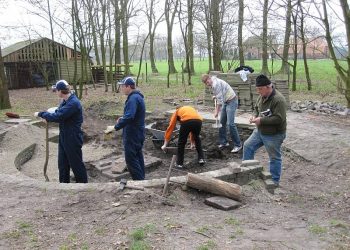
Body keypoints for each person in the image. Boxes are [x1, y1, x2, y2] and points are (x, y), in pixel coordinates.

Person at [34, 80, 88, 183]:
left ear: (60, 91)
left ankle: (83, 186)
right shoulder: (65, 101)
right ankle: (63, 185)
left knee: (76, 164)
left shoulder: (73, 103)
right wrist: (48, 117)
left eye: (56, 90)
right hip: (64, 136)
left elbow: (59, 116)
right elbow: (58, 112)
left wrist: (41, 114)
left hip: (72, 137)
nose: (55, 92)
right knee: (62, 164)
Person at [243, 74, 287, 186]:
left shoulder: (279, 100)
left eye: (260, 89)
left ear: (269, 87)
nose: (258, 91)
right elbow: (256, 109)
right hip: (260, 131)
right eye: (257, 89)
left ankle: (274, 182)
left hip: (274, 134)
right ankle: (248, 174)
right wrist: (254, 116)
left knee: (274, 157)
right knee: (248, 146)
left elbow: (279, 119)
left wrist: (261, 120)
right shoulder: (261, 96)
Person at [106, 77, 146, 180]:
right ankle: (142, 179)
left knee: (131, 160)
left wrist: (115, 127)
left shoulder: (133, 99)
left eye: (123, 86)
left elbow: (130, 116)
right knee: (138, 156)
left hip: (132, 134)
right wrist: (123, 118)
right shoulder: (138, 97)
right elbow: (132, 115)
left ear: (128, 86)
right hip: (138, 133)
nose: (121, 88)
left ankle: (139, 181)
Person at [201, 74, 242, 153]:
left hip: (232, 101)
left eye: (207, 82)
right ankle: (224, 142)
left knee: (230, 124)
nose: (207, 84)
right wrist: (215, 96)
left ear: (210, 78)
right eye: (205, 83)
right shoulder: (213, 83)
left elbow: (219, 102)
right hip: (225, 101)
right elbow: (219, 94)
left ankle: (238, 144)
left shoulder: (216, 84)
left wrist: (216, 111)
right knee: (222, 122)